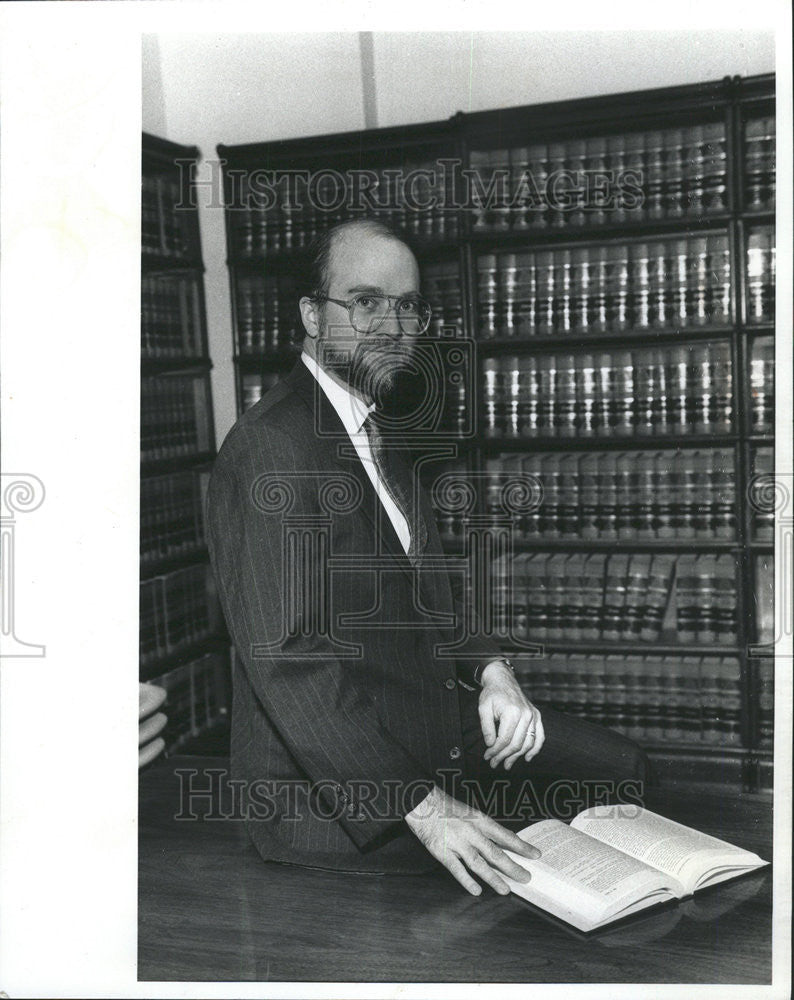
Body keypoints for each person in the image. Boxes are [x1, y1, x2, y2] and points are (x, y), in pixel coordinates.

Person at [206, 217, 651, 896]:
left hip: (425, 719)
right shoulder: (271, 446)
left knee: (622, 772)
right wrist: (425, 806)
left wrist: (494, 671)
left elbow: (430, 582)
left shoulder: (380, 422)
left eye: (408, 305)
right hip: (330, 788)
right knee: (521, 881)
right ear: (311, 316)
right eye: (365, 301)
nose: (392, 325)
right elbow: (289, 656)